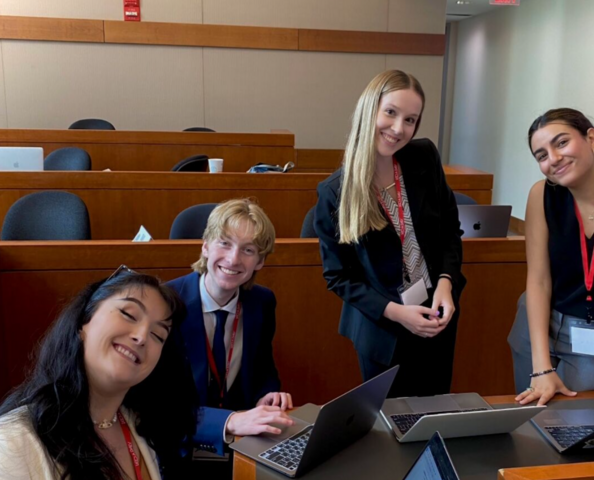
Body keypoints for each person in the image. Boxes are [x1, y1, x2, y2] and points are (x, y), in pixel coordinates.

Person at [314, 70, 466, 398]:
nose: (399, 129)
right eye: (391, 113)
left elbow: (450, 231)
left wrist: (445, 282)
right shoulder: (335, 191)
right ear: (371, 109)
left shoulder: (424, 157)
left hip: (437, 313)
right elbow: (338, 277)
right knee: (392, 428)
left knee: (435, 411)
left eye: (410, 119)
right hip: (384, 327)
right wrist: (398, 313)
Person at [0, 267, 196, 480]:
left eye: (158, 335)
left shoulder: (139, 426)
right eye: (128, 314)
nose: (141, 337)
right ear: (84, 321)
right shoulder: (12, 443)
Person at [508, 108, 594, 406]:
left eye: (561, 143)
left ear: (591, 138)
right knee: (533, 425)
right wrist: (541, 368)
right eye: (541, 155)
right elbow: (538, 280)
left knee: (581, 431)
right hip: (536, 332)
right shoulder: (542, 194)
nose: (553, 158)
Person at [166, 198, 293, 476]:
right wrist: (230, 421)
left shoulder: (262, 302)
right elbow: (158, 406)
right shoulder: (166, 305)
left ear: (259, 261)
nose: (234, 259)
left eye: (248, 250)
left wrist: (267, 395)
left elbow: (263, 367)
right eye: (224, 243)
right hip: (177, 452)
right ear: (205, 246)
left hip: (239, 448)